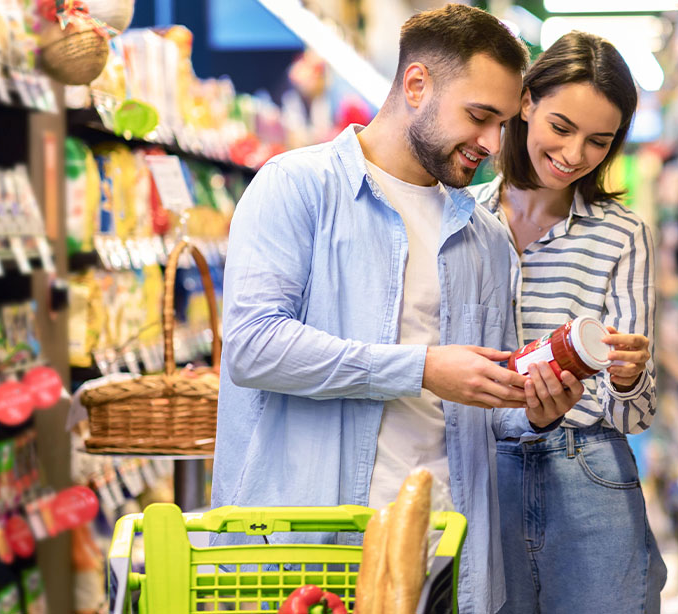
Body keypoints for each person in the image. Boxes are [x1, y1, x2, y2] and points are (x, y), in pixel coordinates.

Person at [211, 5, 571, 613]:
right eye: (479, 117)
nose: (492, 144)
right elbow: (253, 346)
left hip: (446, 557)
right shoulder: (296, 188)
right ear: (416, 85)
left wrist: (535, 411)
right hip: (309, 554)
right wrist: (420, 368)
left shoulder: (486, 239)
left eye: (504, 124)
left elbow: (484, 408)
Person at [468, 31, 667, 612]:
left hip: (590, 472)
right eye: (561, 127)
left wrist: (630, 376)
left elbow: (636, 416)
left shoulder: (622, 233)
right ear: (525, 103)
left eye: (598, 141)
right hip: (483, 470)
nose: (575, 154)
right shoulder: (461, 219)